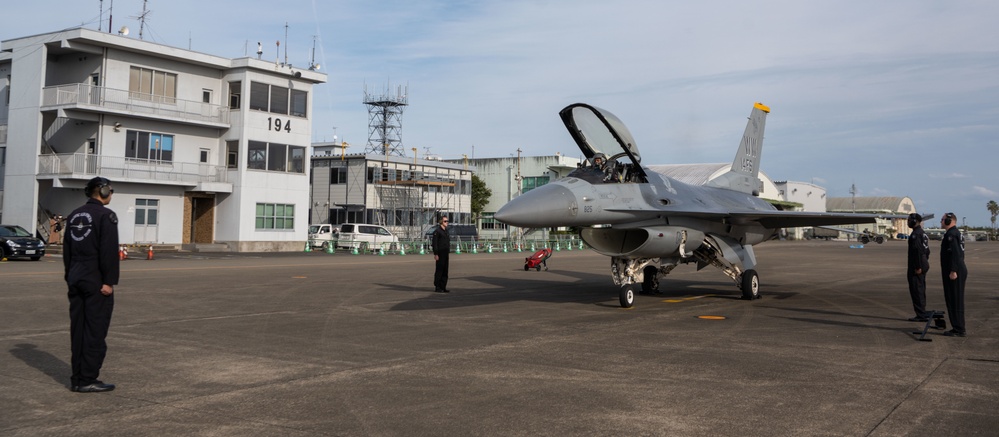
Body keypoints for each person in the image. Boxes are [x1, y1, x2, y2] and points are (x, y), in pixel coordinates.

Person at [64, 177, 120, 392]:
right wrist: (108, 281)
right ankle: (87, 379)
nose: (112, 194)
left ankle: (77, 378)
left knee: (77, 329)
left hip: (76, 276)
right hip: (95, 280)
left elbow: (67, 250)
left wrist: (70, 276)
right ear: (103, 191)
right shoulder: (106, 216)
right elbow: (108, 252)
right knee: (95, 330)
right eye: (111, 190)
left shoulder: (75, 214)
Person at [939, 212, 967, 337]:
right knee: (954, 298)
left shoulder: (951, 235)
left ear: (949, 221)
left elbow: (956, 253)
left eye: (942, 219)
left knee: (955, 299)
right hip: (956, 268)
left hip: (954, 271)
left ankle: (959, 329)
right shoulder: (955, 233)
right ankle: (957, 327)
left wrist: (954, 270)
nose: (941, 221)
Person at [905, 213, 930, 321]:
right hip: (922, 264)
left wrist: (918, 266)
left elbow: (918, 251)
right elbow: (927, 251)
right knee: (920, 288)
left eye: (909, 220)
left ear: (914, 221)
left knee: (916, 289)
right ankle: (921, 312)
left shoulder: (916, 234)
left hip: (917, 266)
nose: (908, 222)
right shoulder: (922, 233)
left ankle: (921, 314)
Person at [431, 216, 451, 293]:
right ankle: (437, 286)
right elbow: (435, 243)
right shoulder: (437, 231)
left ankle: (443, 286)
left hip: (446, 253)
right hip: (440, 253)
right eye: (445, 221)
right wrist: (436, 254)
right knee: (439, 270)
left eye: (447, 221)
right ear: (441, 222)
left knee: (445, 270)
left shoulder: (446, 231)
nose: (447, 222)